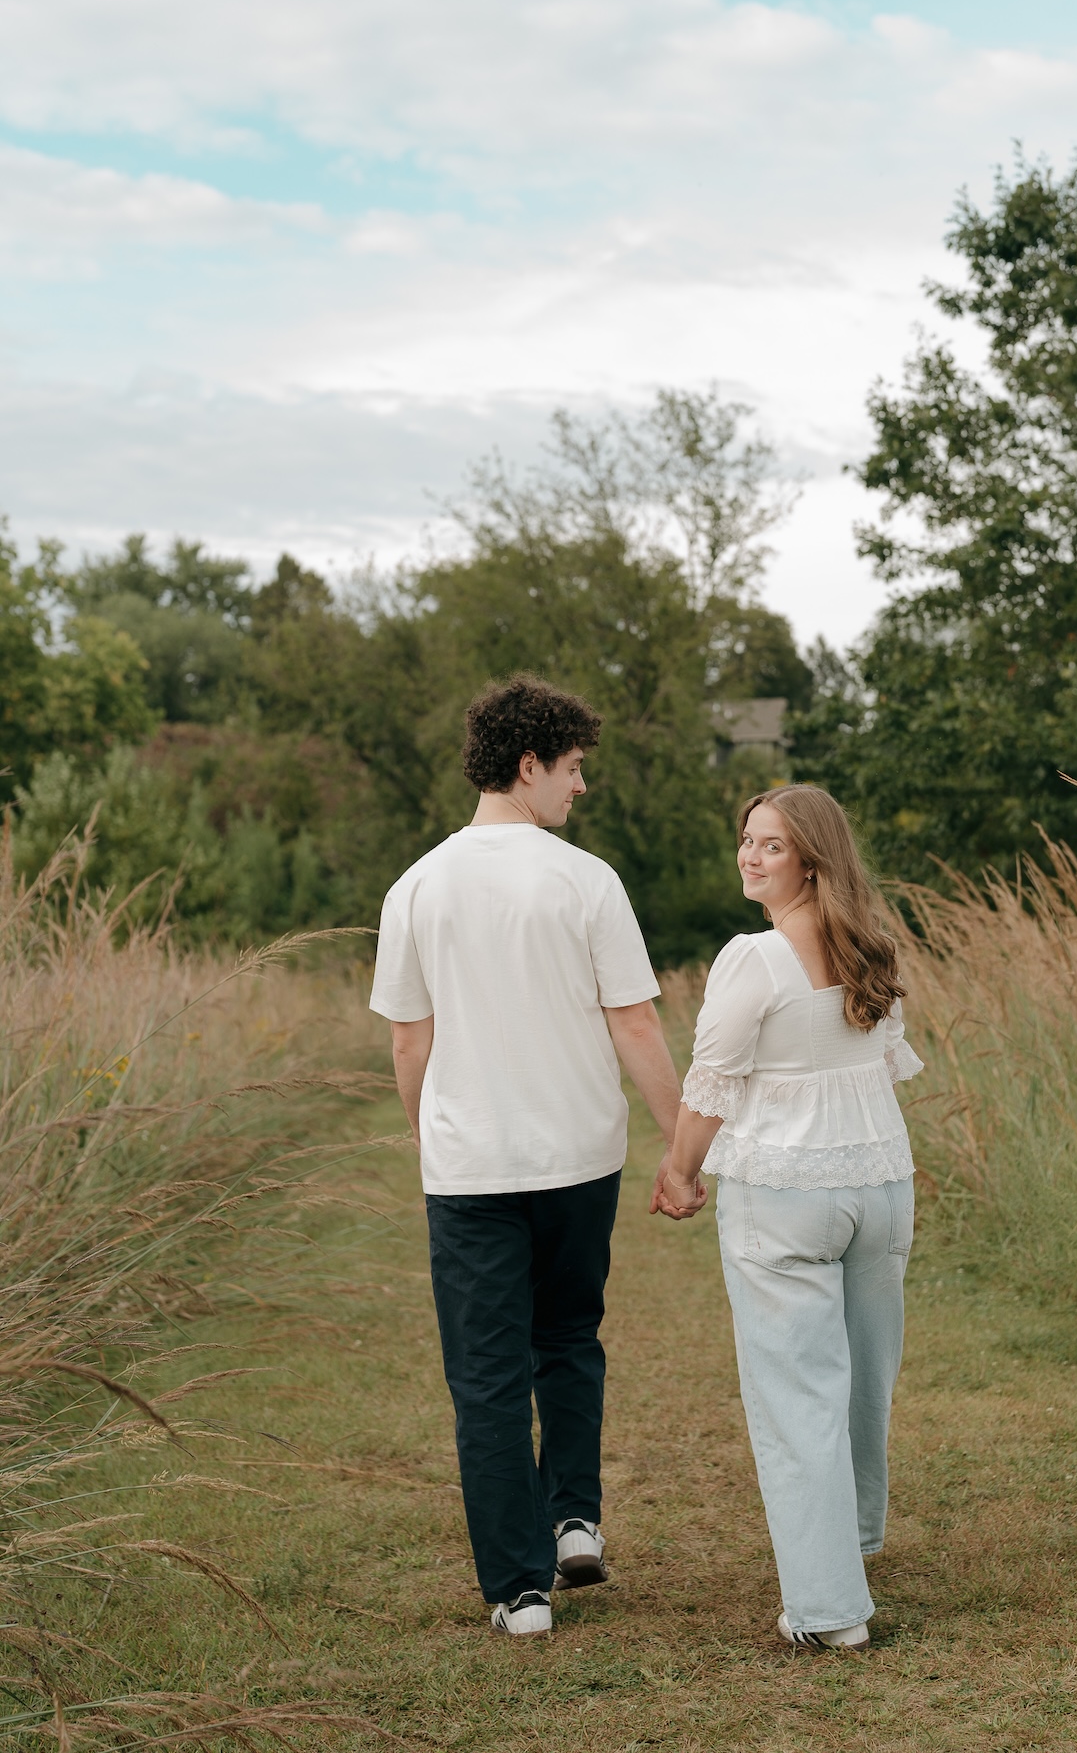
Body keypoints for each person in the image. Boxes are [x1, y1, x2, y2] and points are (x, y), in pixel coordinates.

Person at [370, 675, 696, 1638]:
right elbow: (635, 1025)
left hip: (471, 1169)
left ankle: (520, 1590)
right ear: (528, 765)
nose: (579, 788)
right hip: (579, 1159)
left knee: (486, 1376)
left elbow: (407, 1045)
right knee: (567, 1342)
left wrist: (432, 1140)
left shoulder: (416, 886)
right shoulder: (585, 881)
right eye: (572, 769)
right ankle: (574, 1521)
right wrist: (682, 1154)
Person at [655, 783, 921, 1651]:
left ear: (811, 856)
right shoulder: (871, 949)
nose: (750, 855)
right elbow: (880, 1070)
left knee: (798, 1394)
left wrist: (679, 1168)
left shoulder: (754, 958)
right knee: (861, 1381)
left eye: (770, 844)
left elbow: (715, 1084)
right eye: (746, 839)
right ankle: (851, 1545)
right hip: (879, 1186)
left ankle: (829, 1609)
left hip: (789, 1196)